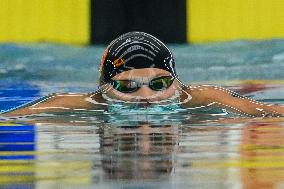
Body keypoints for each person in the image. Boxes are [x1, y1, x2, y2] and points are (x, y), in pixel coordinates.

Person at [3, 32, 284, 117]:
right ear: (104, 88)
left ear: (177, 82)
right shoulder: (77, 103)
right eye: (127, 87)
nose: (145, 97)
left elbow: (271, 111)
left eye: (160, 84)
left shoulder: (204, 97)